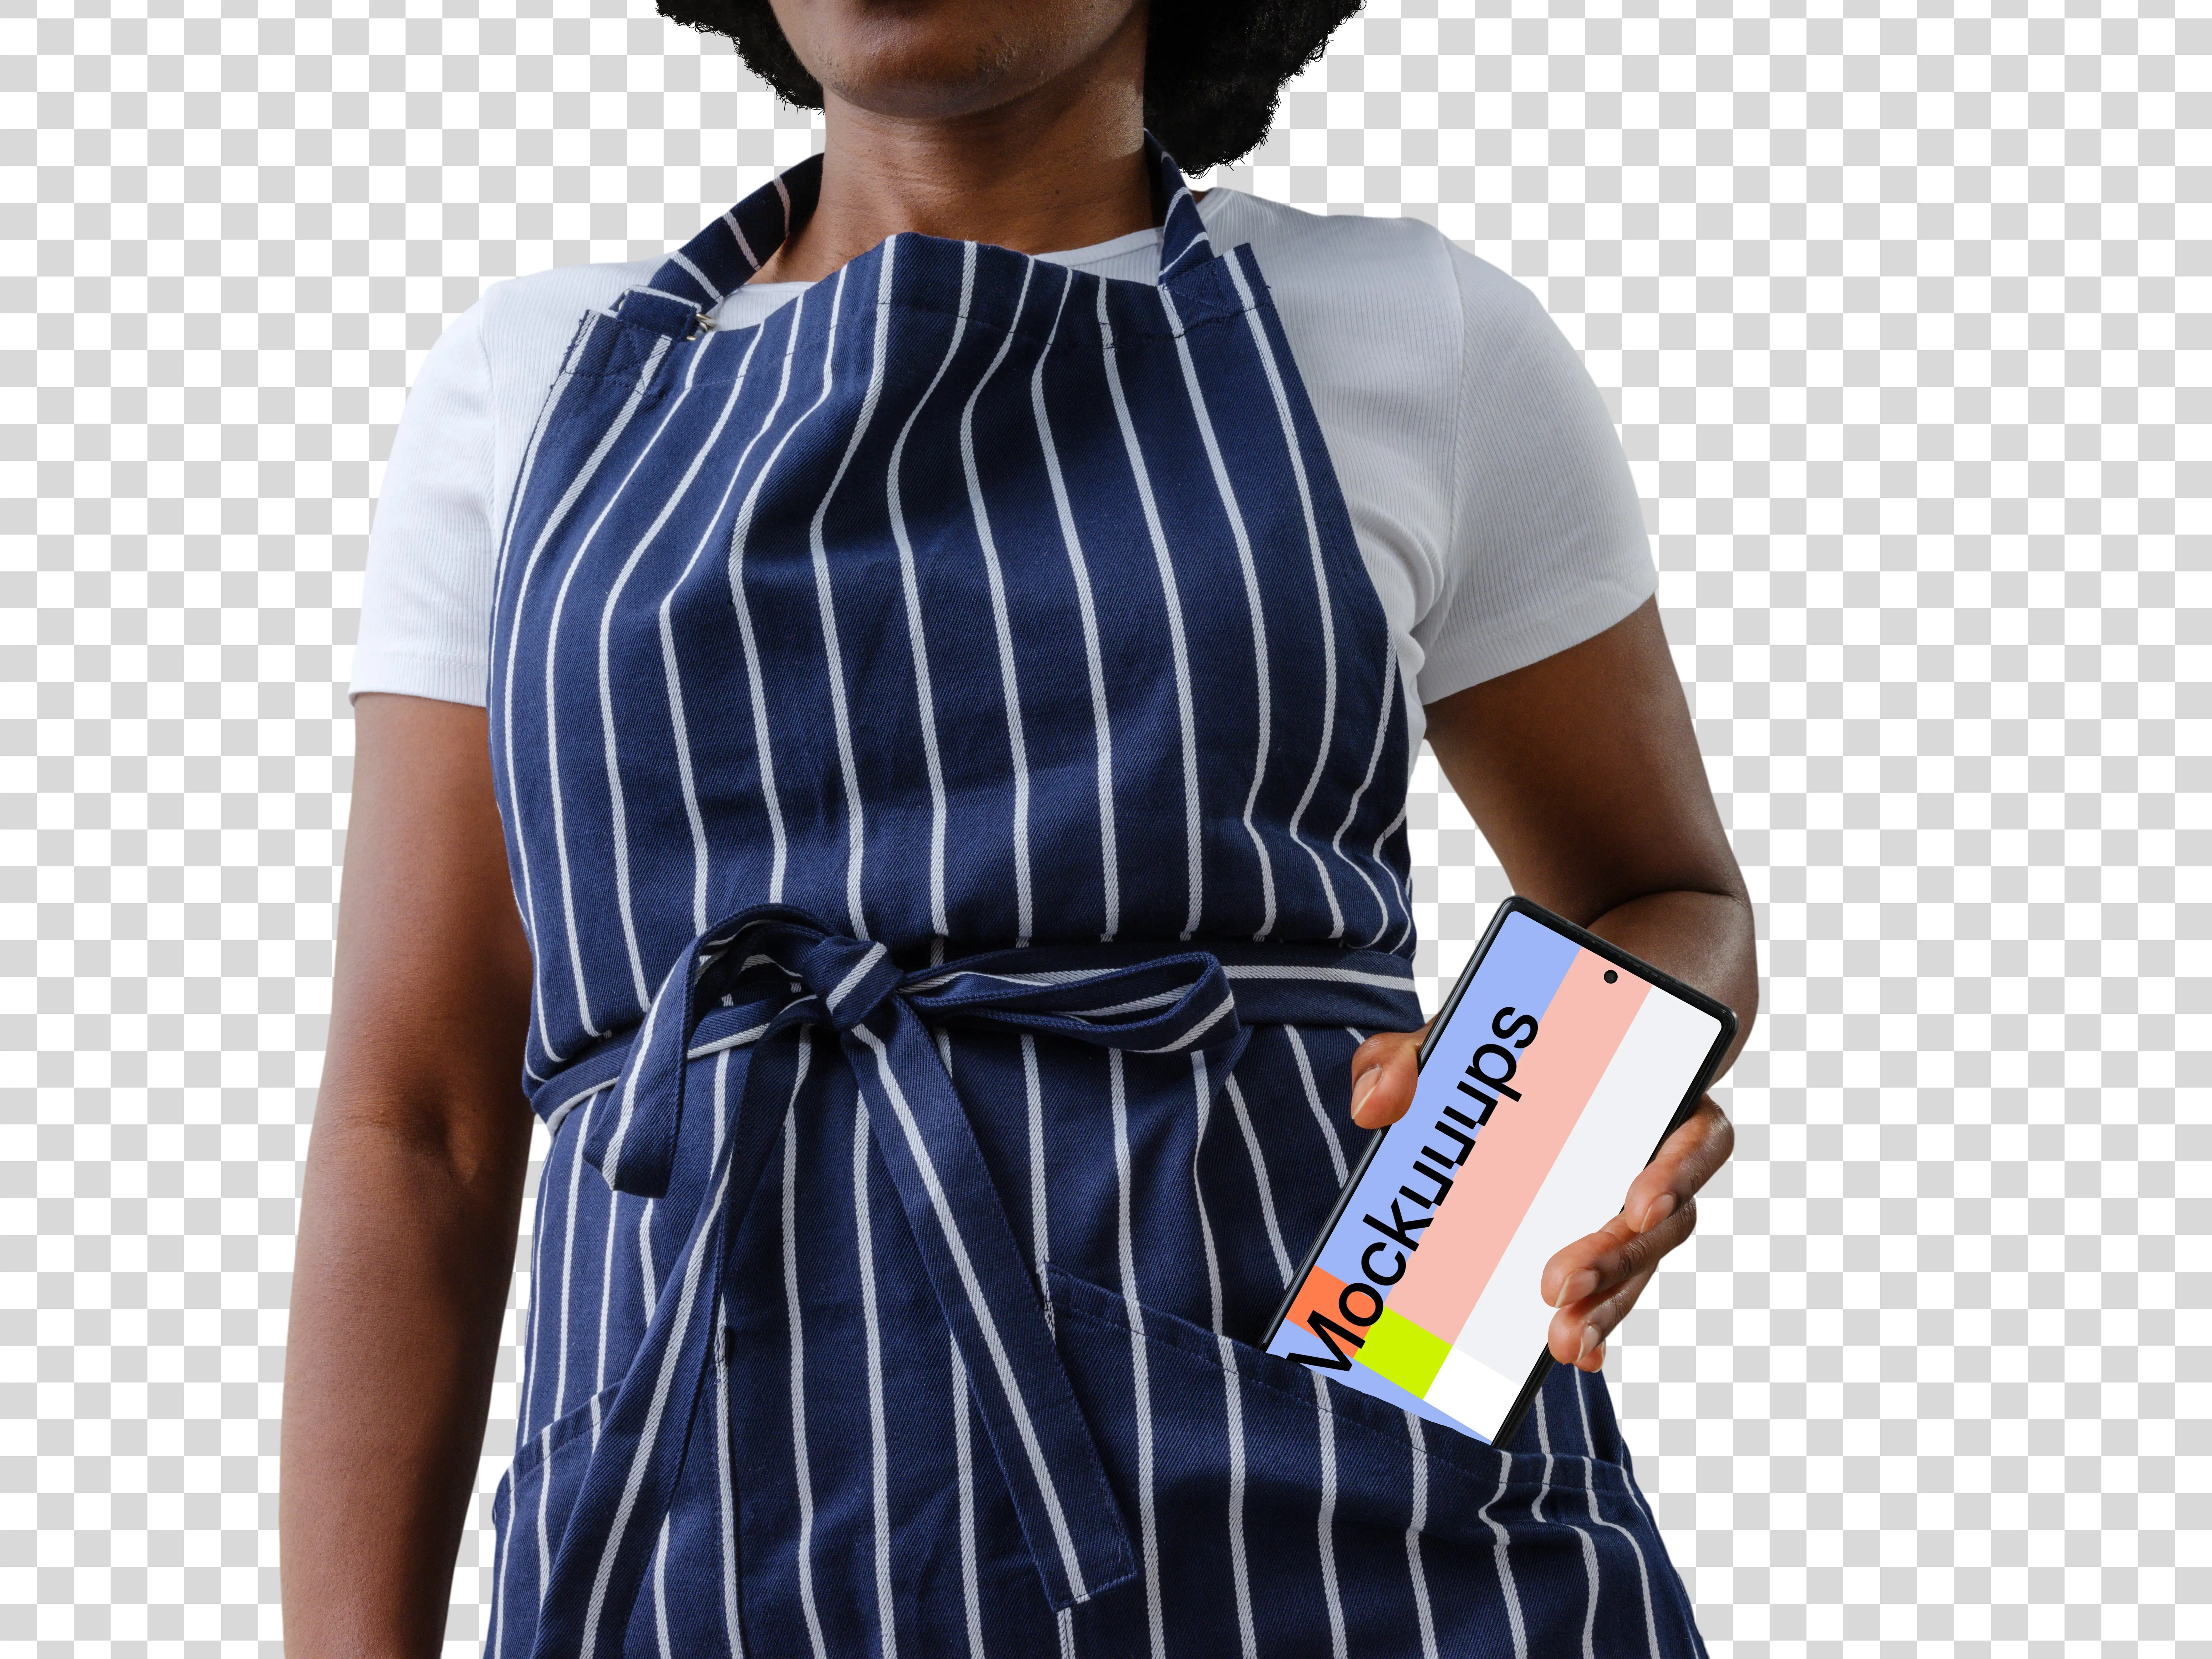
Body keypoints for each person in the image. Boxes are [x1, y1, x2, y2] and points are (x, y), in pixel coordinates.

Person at [280, 0, 1760, 1653]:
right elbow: (421, 1119)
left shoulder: (1415, 333)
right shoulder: (526, 381)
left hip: (1351, 1532)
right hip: (695, 1544)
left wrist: (1529, 1168)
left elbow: (1654, 890)